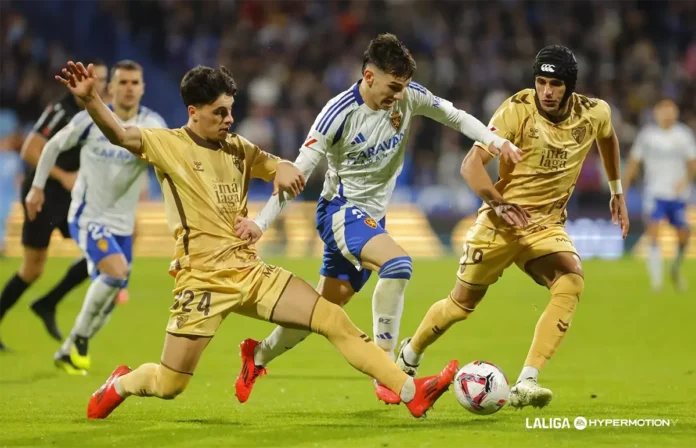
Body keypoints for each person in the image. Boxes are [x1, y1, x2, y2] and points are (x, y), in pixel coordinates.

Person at [53, 60, 457, 420]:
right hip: (202, 280)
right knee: (170, 384)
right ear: (193, 113)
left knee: (332, 317)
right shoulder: (167, 144)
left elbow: (276, 165)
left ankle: (410, 390)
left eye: (231, 110)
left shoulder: (237, 147)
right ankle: (120, 384)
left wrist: (282, 169)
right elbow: (122, 134)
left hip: (249, 270)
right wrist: (91, 102)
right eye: (220, 113)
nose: (229, 119)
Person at [232, 33, 520, 404]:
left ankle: (256, 356)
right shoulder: (337, 114)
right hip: (338, 211)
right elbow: (295, 176)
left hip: (371, 220)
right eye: (393, 86)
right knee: (398, 265)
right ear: (369, 77)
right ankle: (389, 372)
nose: (399, 95)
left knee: (324, 308)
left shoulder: (409, 97)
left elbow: (455, 116)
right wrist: (260, 223)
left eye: (403, 87)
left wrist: (496, 143)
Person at [396, 45, 630, 409]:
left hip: (545, 225)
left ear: (570, 86)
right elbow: (471, 165)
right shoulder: (515, 111)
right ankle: (410, 353)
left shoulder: (594, 112)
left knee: (570, 280)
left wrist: (617, 190)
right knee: (460, 306)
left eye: (554, 84)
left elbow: (608, 138)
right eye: (541, 82)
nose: (546, 91)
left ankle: (527, 381)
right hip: (500, 222)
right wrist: (498, 202)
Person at [26, 60, 166, 374]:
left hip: (123, 226)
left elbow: (169, 167)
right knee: (115, 272)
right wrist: (37, 189)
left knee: (111, 294)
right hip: (87, 216)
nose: (129, 88)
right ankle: (79, 339)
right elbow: (50, 147)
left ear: (142, 88)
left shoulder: (154, 125)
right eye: (123, 82)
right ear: (111, 87)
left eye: (135, 82)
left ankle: (68, 349)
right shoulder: (91, 119)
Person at [0, 60, 109, 350]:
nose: (100, 84)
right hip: (44, 195)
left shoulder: (98, 111)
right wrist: (64, 178)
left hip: (71, 198)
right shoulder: (62, 110)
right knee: (33, 269)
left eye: (103, 79)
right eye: (94, 77)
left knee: (100, 252)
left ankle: (48, 302)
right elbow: (30, 150)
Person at [623, 99, 696, 292]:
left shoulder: (683, 135)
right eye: (663, 110)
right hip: (654, 193)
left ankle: (674, 268)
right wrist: (623, 188)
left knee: (684, 236)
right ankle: (657, 282)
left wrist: (686, 180)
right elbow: (634, 162)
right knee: (653, 234)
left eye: (670, 110)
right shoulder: (648, 136)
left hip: (678, 195)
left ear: (676, 113)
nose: (667, 114)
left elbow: (692, 163)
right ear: (656, 113)